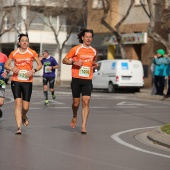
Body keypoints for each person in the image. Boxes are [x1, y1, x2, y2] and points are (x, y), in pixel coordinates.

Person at [4, 33, 42, 134]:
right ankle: (18, 127)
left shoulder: (32, 52)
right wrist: (12, 68)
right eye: (23, 41)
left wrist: (33, 70)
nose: (25, 42)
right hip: (16, 81)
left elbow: (40, 65)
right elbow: (6, 65)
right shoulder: (14, 53)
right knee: (17, 104)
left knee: (25, 107)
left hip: (27, 81)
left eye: (26, 40)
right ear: (19, 42)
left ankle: (23, 115)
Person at [62, 28, 98, 134]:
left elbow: (92, 62)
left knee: (86, 101)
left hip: (87, 79)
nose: (88, 39)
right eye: (86, 37)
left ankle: (83, 126)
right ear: (82, 38)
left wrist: (94, 64)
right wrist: (73, 62)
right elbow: (64, 60)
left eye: (90, 37)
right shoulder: (76, 49)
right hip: (76, 79)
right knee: (76, 103)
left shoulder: (94, 51)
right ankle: (74, 115)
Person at [0, 52, 9, 121]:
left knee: (1, 102)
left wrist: (6, 72)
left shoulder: (3, 56)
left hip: (1, 82)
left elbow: (8, 67)